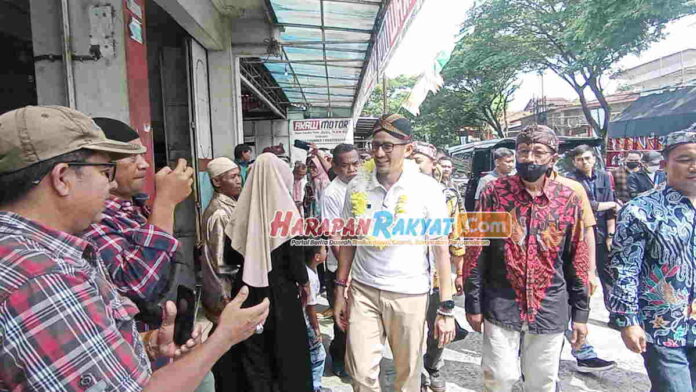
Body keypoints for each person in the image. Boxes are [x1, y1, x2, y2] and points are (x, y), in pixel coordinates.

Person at [0, 105, 269, 391]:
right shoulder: (45, 279)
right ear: (62, 178)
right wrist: (224, 337)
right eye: (105, 171)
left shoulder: (30, 251)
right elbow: (140, 284)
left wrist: (143, 346)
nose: (111, 182)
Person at [333, 114, 456, 392]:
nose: (379, 153)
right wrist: (340, 288)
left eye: (388, 146)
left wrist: (446, 306)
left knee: (407, 375)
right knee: (361, 373)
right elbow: (350, 240)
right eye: (375, 145)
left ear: (408, 149)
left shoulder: (427, 189)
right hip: (364, 290)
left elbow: (441, 251)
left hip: (409, 293)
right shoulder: (356, 186)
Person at [463, 125, 589, 392]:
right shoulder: (495, 193)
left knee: (542, 381)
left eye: (538, 152)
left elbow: (576, 256)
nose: (529, 158)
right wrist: (473, 302)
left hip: (550, 304)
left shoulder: (567, 198)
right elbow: (477, 248)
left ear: (552, 158)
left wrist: (581, 313)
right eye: (523, 151)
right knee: (499, 376)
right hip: (501, 300)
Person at [610, 128, 696, 391]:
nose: (694, 166)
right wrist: (628, 320)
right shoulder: (641, 210)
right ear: (664, 162)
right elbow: (624, 269)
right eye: (685, 159)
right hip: (663, 327)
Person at [82, 117, 190, 326]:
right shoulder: (92, 218)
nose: (144, 165)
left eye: (141, 155)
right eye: (131, 158)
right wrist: (166, 203)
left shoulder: (137, 209)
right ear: (102, 167)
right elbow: (135, 285)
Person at [222, 153, 313, 392]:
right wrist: (305, 285)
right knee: (287, 352)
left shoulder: (239, 215)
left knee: (253, 351)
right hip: (282, 296)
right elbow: (296, 265)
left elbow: (229, 258)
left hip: (246, 291)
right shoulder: (289, 216)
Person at [548, 165, 617, 374]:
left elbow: (587, 229)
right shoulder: (504, 189)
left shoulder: (572, 188)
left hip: (567, 267)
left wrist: (589, 270)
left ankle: (582, 354)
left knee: (573, 311)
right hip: (530, 273)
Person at [320, 143, 360, 378]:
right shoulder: (332, 193)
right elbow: (335, 236)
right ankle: (338, 358)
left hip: (364, 266)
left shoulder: (365, 186)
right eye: (345, 166)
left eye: (355, 164)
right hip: (340, 268)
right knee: (343, 319)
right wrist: (345, 273)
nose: (351, 169)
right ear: (334, 167)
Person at [567, 144, 619, 312]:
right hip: (580, 235)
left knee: (608, 275)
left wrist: (611, 234)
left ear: (594, 159)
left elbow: (611, 209)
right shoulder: (571, 180)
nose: (584, 162)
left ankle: (614, 314)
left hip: (602, 233)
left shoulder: (604, 177)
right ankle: (580, 315)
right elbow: (588, 206)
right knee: (581, 277)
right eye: (580, 160)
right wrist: (610, 204)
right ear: (574, 162)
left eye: (587, 158)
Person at [200, 157, 242, 323]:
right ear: (217, 181)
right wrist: (228, 294)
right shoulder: (220, 213)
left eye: (239, 176)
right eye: (233, 177)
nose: (238, 181)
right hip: (224, 290)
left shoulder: (230, 204)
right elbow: (220, 261)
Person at [304, 244, 333, 392]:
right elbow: (311, 307)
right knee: (318, 355)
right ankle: (315, 387)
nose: (327, 251)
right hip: (307, 323)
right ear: (317, 257)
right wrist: (317, 329)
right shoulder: (312, 278)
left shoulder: (308, 271)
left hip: (303, 321)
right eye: (324, 249)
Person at [304, 154, 331, 219]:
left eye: (314, 167)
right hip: (312, 215)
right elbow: (305, 201)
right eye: (310, 167)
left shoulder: (326, 182)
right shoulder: (310, 182)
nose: (311, 170)